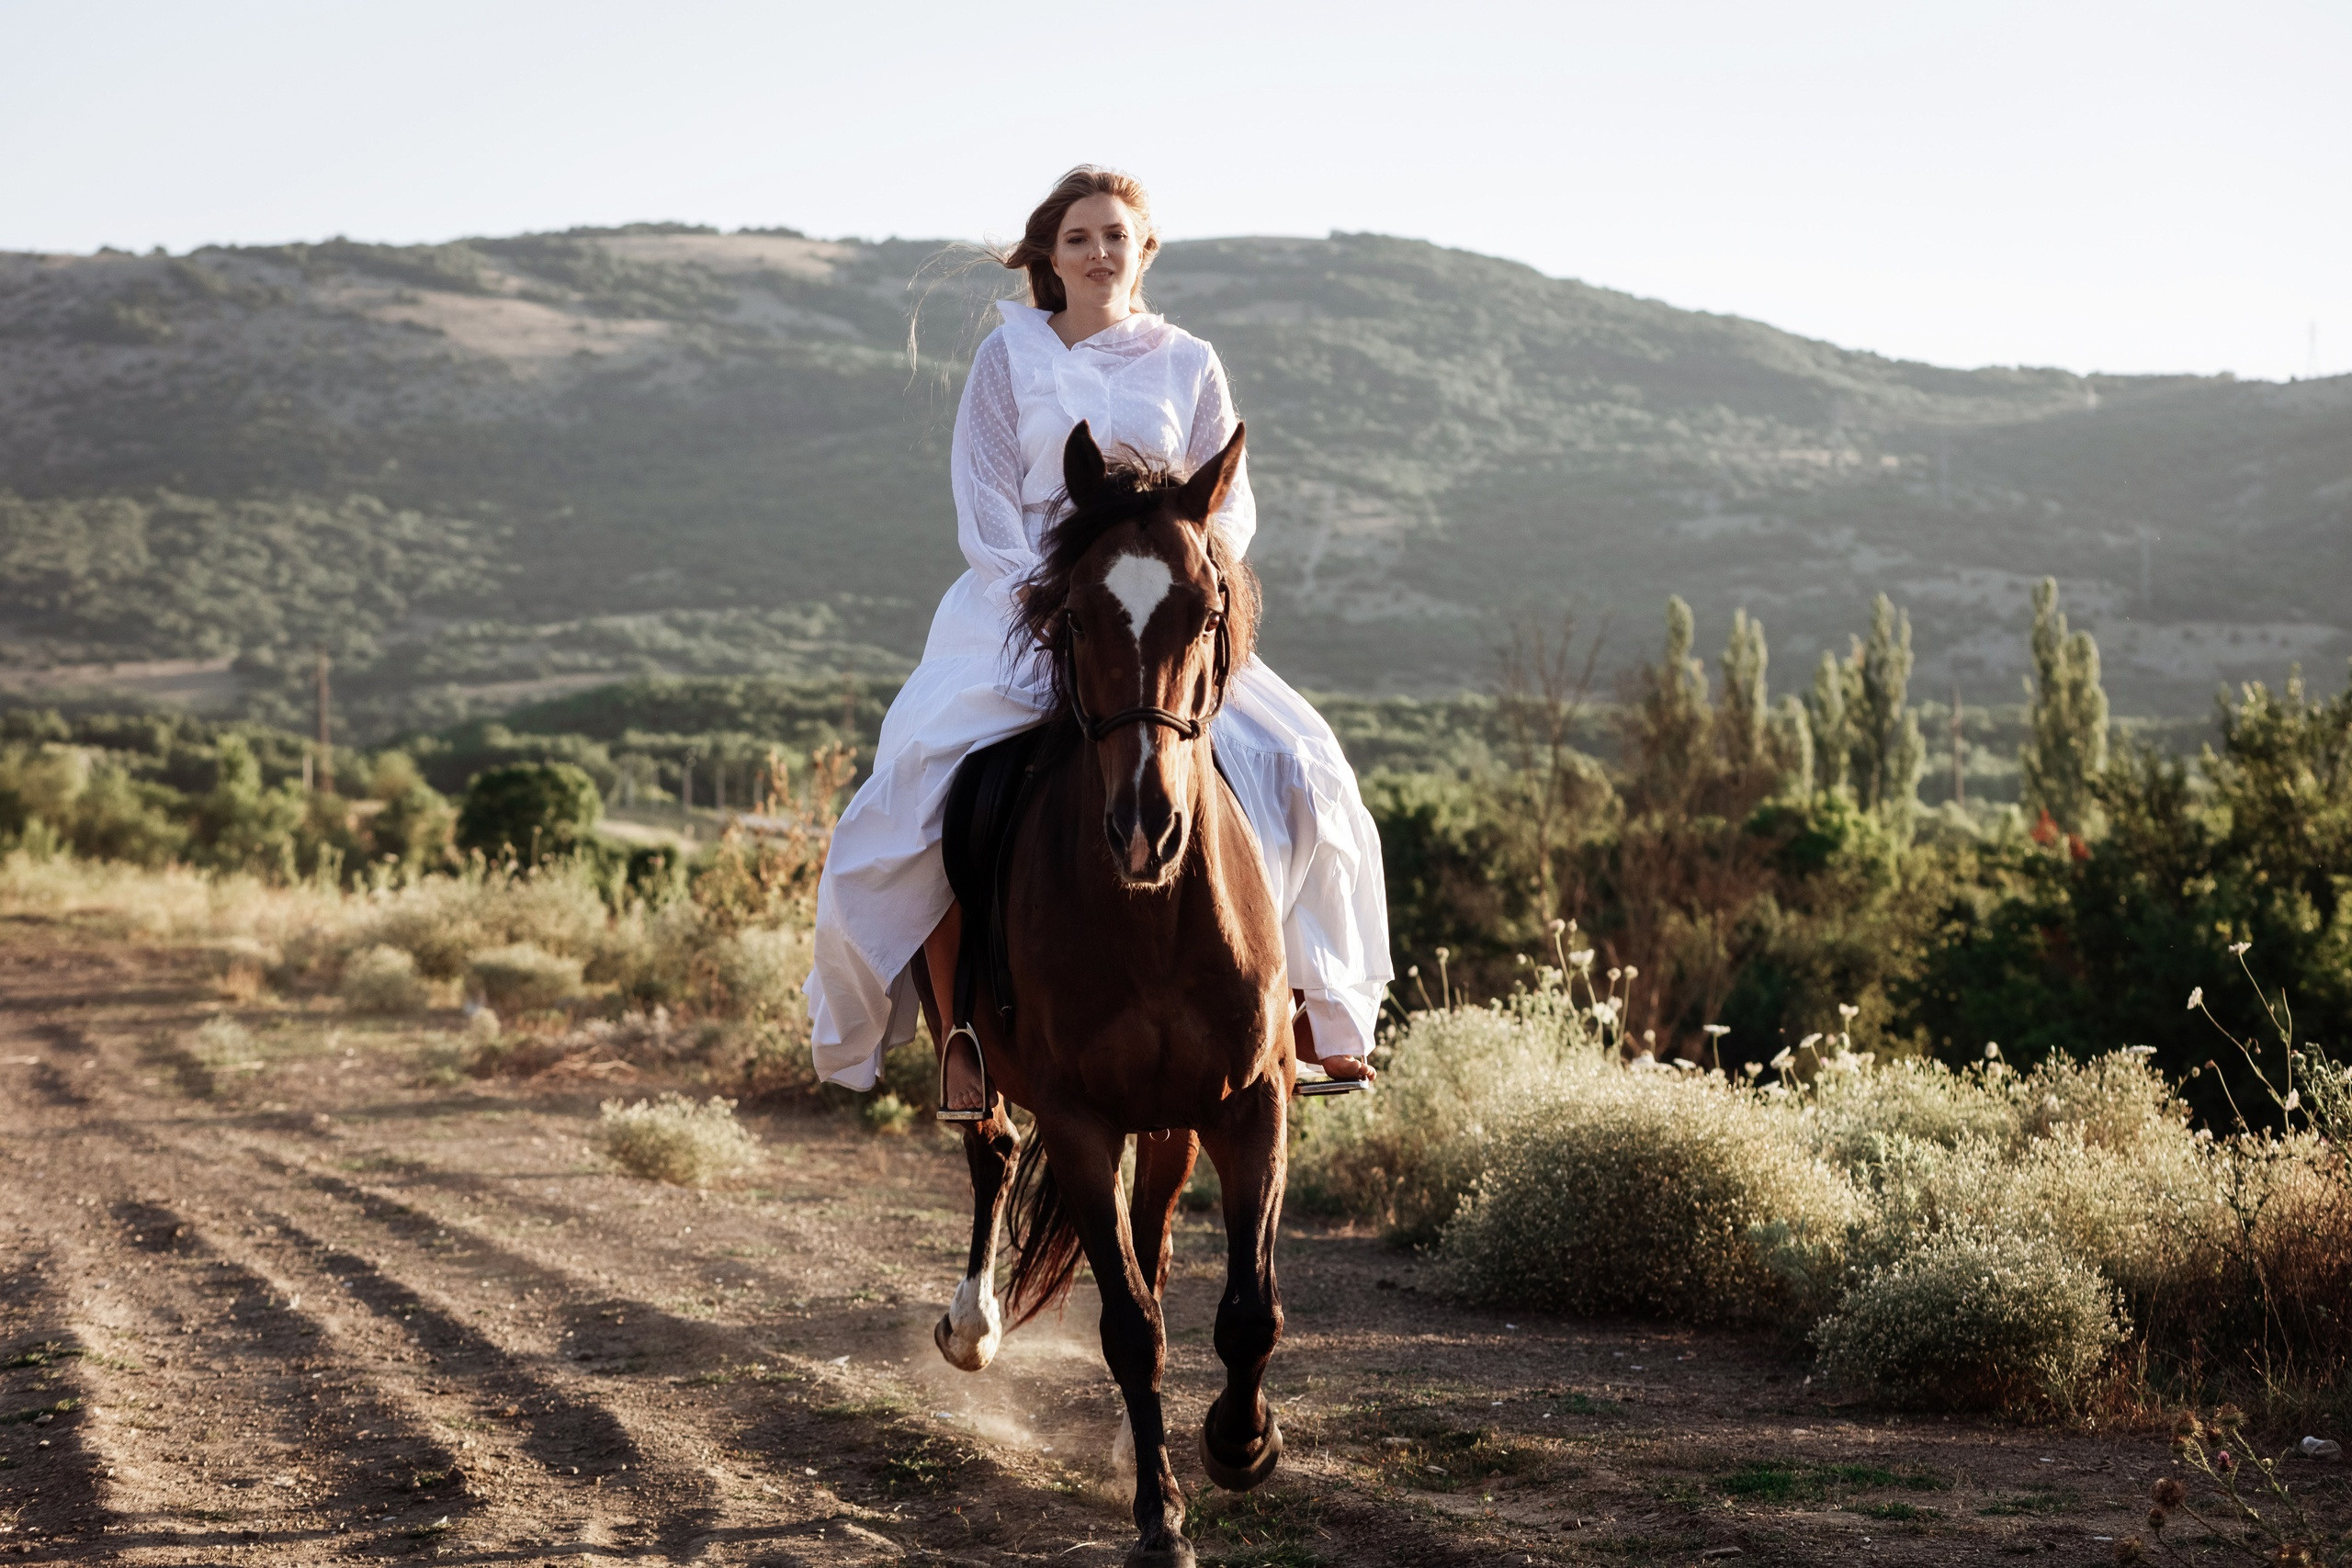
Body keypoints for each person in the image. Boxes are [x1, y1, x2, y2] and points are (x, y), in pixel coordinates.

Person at [805, 165, 1390, 1111]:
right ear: (1050, 256)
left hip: (1159, 614)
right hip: (1023, 601)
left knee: (1307, 766)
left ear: (1143, 250)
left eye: (1115, 235)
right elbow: (985, 500)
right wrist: (1045, 601)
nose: (1097, 252)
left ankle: (1313, 1014)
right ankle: (962, 1038)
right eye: (1078, 237)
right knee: (920, 793)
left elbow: (1226, 502)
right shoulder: (1009, 359)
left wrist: (1185, 580)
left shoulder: (1189, 359)